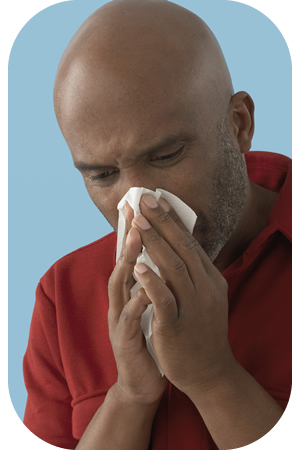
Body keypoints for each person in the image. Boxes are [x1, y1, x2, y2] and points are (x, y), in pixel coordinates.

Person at [23, 0, 292, 449]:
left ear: (239, 125)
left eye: (166, 156)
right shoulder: (62, 296)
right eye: (102, 175)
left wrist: (212, 376)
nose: (141, 206)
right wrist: (129, 396)